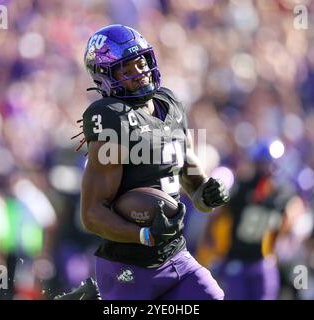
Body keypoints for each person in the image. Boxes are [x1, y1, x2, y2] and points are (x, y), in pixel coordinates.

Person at [74, 24, 229, 300]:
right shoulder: (111, 118)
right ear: (104, 78)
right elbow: (91, 214)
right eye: (126, 69)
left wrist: (206, 192)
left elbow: (191, 181)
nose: (140, 72)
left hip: (175, 255)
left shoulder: (169, 104)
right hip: (127, 267)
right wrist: (143, 234)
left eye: (141, 61)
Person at [197, 146, 293, 299]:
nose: (268, 169)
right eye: (264, 164)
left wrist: (276, 246)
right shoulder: (242, 189)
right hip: (238, 258)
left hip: (262, 261)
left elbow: (286, 223)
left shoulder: (281, 194)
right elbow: (217, 213)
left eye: (270, 164)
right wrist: (209, 236)